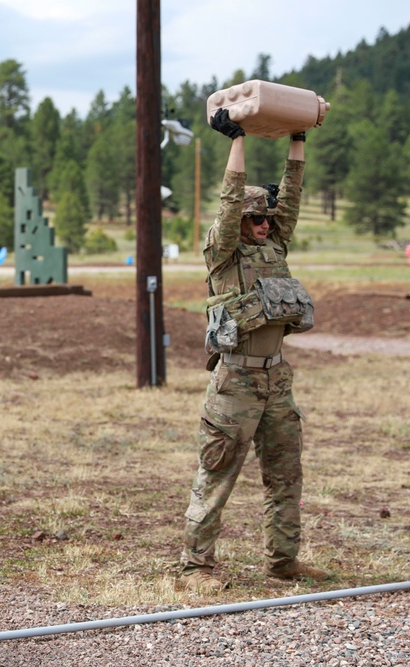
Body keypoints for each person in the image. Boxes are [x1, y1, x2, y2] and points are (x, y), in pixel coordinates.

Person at [176, 109, 329, 594]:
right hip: (235, 381)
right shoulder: (223, 256)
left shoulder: (275, 248)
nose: (265, 224)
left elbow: (293, 199)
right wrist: (237, 140)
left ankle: (283, 561)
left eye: (267, 217)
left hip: (276, 378)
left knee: (286, 474)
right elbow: (226, 201)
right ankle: (195, 568)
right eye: (256, 218)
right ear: (240, 222)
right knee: (217, 471)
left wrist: (297, 139)